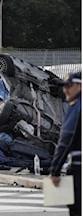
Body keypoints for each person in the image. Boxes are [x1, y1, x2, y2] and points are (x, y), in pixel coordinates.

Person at [49, 71, 81, 216]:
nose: (65, 89)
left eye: (69, 85)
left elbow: (66, 141)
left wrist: (54, 171)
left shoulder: (76, 108)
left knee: (76, 210)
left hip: (78, 169)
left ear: (79, 87)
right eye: (64, 86)